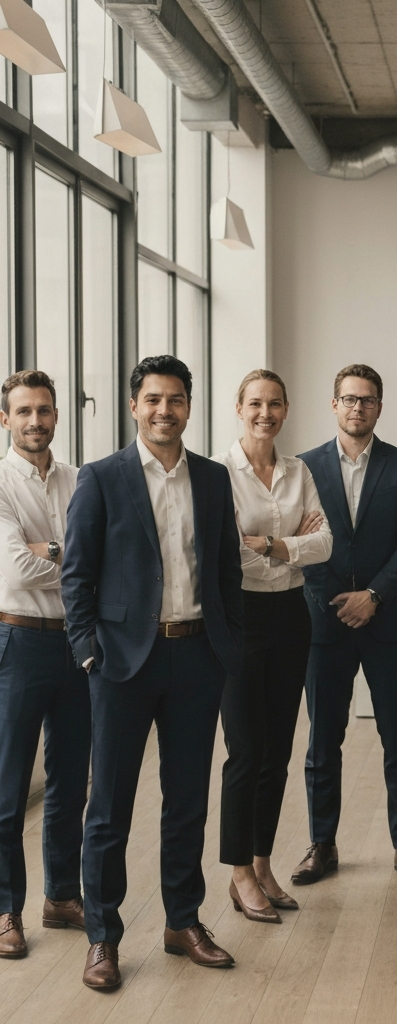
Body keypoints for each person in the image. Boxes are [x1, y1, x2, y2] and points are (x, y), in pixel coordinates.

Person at [62, 355, 244, 989]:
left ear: (189, 407)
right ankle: (103, 936)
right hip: (120, 664)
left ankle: (182, 920)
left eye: (176, 400)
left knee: (188, 801)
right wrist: (89, 651)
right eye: (153, 400)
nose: (164, 410)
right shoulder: (102, 477)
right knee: (108, 806)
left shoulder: (216, 480)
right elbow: (76, 576)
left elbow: (228, 573)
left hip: (198, 657)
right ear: (134, 406)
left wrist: (228, 644)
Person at [293, 364, 397, 888]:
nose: (358, 408)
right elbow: (300, 542)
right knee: (323, 741)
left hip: (390, 621)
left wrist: (373, 595)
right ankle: (321, 844)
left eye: (368, 400)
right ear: (334, 405)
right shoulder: (304, 467)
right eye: (349, 399)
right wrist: (337, 599)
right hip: (325, 625)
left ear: (379, 407)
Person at [213, 370, 332, 923]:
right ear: (239, 408)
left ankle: (262, 863)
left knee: (279, 752)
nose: (266, 413)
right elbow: (227, 556)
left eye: (276, 403)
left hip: (291, 615)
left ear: (286, 409)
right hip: (241, 618)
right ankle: (238, 874)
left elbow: (325, 543)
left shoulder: (298, 470)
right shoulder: (219, 476)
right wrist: (290, 546)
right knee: (244, 753)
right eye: (256, 403)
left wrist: (267, 543)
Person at [0, 372, 90, 960]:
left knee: (68, 781)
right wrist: (71, 554)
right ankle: (6, 909)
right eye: (25, 411)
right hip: (19, 642)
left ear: (58, 416)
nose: (36, 420)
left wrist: (46, 550)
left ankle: (60, 895)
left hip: (77, 643)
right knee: (7, 786)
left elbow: (103, 558)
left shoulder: (80, 479)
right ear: (5, 419)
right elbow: (13, 571)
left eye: (46, 410)